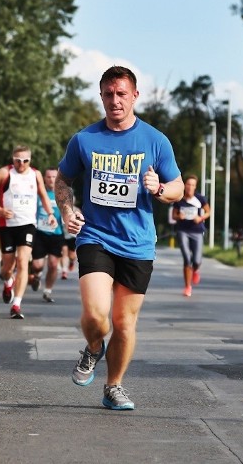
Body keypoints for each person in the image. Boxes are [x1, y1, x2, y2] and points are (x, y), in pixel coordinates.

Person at [55, 65, 183, 411]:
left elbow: (178, 187)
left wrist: (159, 189)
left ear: (134, 96)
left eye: (121, 94)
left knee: (124, 323)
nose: (115, 100)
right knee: (97, 315)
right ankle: (94, 347)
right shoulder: (85, 140)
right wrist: (67, 212)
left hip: (138, 242)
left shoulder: (155, 141)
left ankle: (113, 387)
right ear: (101, 96)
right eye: (108, 94)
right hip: (95, 236)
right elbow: (62, 180)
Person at [0, 145, 56, 319]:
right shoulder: (4, 173)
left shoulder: (36, 174)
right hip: (7, 225)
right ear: (13, 159)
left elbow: (44, 196)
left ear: (30, 160)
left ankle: (16, 304)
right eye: (18, 160)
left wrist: (51, 214)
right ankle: (8, 281)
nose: (21, 164)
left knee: (23, 262)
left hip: (28, 224)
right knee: (7, 267)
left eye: (25, 161)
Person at [28, 168, 65, 303]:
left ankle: (48, 291)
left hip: (56, 234)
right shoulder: (38, 194)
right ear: (44, 178)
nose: (51, 179)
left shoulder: (62, 194)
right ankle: (36, 275)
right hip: (40, 233)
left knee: (53, 264)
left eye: (54, 177)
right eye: (48, 177)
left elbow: (68, 213)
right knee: (37, 265)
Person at [172, 175, 209, 297]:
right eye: (188, 184)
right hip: (183, 230)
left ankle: (196, 269)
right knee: (187, 258)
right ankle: (188, 287)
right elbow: (174, 215)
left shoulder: (200, 199)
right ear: (184, 185)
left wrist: (201, 218)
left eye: (193, 185)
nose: (190, 187)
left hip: (197, 231)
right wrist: (179, 216)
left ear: (195, 186)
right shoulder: (179, 199)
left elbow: (208, 211)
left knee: (197, 260)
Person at [60, 203, 81, 280]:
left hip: (73, 236)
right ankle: (64, 271)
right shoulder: (61, 211)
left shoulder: (77, 210)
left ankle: (71, 262)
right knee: (64, 252)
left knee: (72, 256)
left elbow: (80, 222)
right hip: (63, 235)